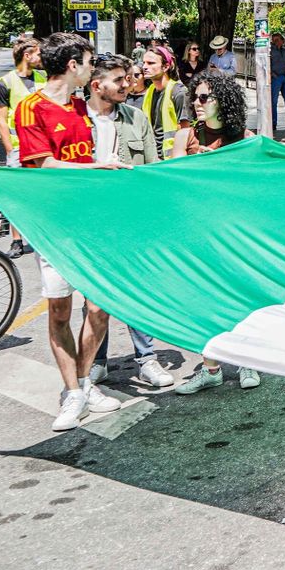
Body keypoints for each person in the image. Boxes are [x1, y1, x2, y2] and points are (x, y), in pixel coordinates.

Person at [15, 33, 127, 432]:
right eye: (88, 60)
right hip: (53, 227)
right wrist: (96, 169)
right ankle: (72, 392)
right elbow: (41, 164)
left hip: (92, 225)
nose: (91, 67)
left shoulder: (82, 107)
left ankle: (84, 381)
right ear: (72, 65)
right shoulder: (30, 108)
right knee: (60, 310)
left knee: (99, 307)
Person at [84, 54, 174, 390]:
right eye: (120, 79)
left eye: (128, 78)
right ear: (97, 85)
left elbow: (151, 169)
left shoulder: (137, 118)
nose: (128, 84)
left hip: (132, 220)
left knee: (138, 288)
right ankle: (96, 361)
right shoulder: (79, 120)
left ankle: (146, 358)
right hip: (90, 221)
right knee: (95, 296)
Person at [170, 71, 261, 395]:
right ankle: (210, 368)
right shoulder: (186, 137)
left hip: (235, 231)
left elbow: (256, 184)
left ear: (222, 101)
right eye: (195, 96)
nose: (196, 102)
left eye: (204, 97)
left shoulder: (245, 138)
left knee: (241, 296)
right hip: (199, 233)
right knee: (204, 300)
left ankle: (247, 361)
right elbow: (169, 181)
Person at [0, 36, 44, 166]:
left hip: (43, 146)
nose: (41, 57)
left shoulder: (45, 78)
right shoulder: (4, 83)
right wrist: (10, 151)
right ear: (27, 56)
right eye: (38, 54)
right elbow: (1, 121)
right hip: (19, 148)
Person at [140, 47, 190, 159]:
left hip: (171, 160)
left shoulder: (179, 92)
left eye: (150, 63)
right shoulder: (150, 91)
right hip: (152, 158)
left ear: (166, 66)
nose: (144, 67)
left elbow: (186, 131)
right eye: (144, 63)